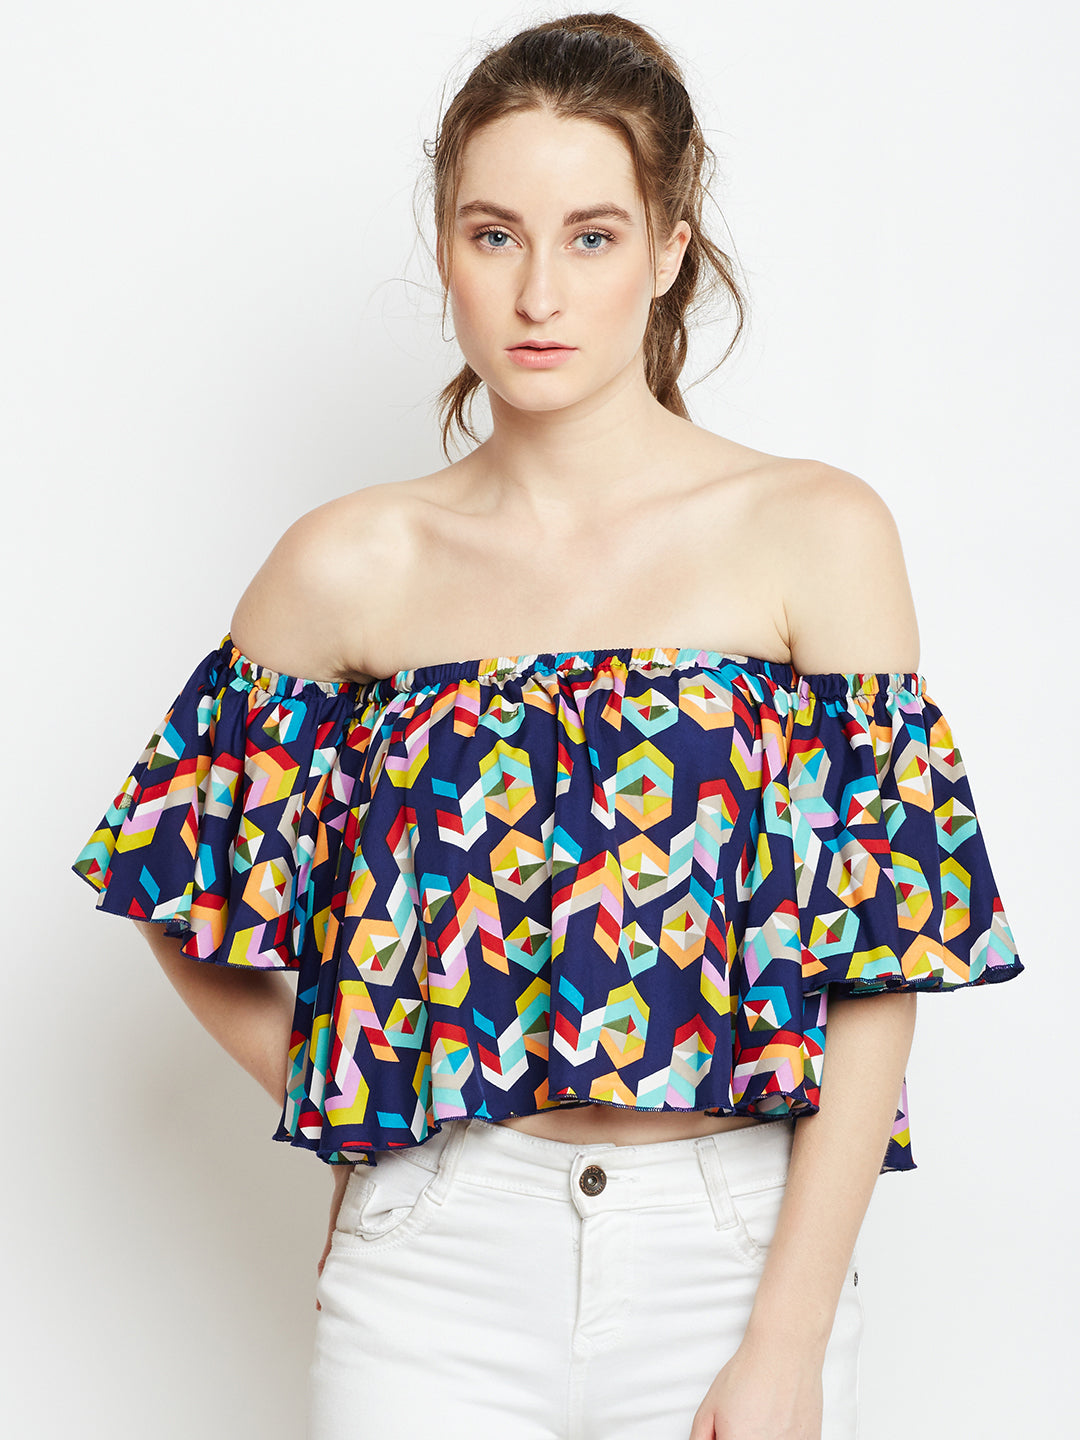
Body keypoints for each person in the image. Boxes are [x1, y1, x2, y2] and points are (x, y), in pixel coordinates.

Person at [71, 13, 1024, 1440]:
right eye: (493, 234)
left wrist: (788, 1338)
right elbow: (174, 880)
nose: (538, 292)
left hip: (731, 1253)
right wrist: (365, 1102)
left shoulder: (814, 532)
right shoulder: (353, 561)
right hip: (434, 1266)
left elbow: (883, 961)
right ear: (445, 249)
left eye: (590, 236)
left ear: (669, 249)